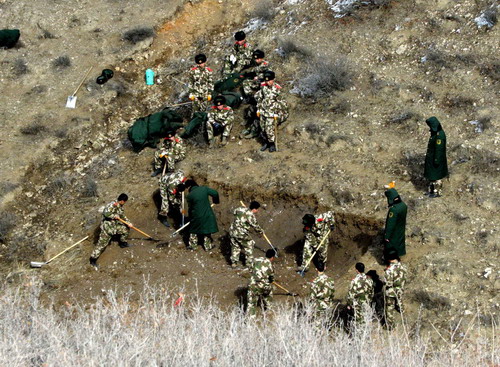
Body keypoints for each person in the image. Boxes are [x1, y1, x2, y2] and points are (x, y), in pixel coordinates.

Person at [90, 193, 132, 269]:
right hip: (107, 228)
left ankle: (123, 243)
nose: (125, 203)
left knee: (125, 229)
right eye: (125, 201)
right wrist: (114, 216)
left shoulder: (120, 207)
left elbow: (122, 216)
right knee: (102, 245)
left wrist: (128, 223)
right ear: (122, 201)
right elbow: (106, 213)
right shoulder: (112, 205)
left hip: (114, 226)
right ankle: (93, 259)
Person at [255, 71, 289, 152]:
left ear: (273, 79)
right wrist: (258, 109)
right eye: (266, 81)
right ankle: (266, 142)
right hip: (263, 111)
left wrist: (277, 112)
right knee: (262, 127)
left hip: (272, 113)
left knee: (269, 128)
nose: (268, 82)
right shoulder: (263, 87)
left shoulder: (277, 89)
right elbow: (260, 98)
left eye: (270, 80)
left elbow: (283, 103)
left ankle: (271, 143)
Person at [184, 179, 219, 251]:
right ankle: (207, 247)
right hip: (207, 215)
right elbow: (215, 193)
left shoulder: (189, 196)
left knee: (193, 230)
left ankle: (193, 246)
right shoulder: (204, 189)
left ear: (189, 186)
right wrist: (216, 201)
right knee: (207, 231)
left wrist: (191, 217)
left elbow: (190, 208)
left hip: (196, 216)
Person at [229, 201, 264, 269]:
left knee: (235, 246)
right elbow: (256, 226)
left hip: (232, 231)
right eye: (257, 209)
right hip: (241, 234)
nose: (257, 211)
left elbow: (234, 212)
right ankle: (249, 263)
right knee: (249, 245)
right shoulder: (251, 216)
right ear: (254, 209)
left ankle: (234, 263)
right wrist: (261, 232)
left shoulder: (240, 209)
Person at [247, 249, 276, 317]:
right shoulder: (270, 265)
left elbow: (250, 270)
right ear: (272, 257)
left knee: (251, 304)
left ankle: (250, 319)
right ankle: (269, 310)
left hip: (252, 285)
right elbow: (271, 278)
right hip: (264, 286)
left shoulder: (256, 260)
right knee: (269, 293)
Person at [424, 116, 448, 197]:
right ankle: (431, 191)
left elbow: (439, 149)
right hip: (432, 159)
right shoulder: (435, 133)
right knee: (432, 177)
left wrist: (437, 160)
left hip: (436, 160)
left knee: (437, 177)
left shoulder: (439, 136)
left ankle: (437, 192)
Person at [384, 251, 408, 329]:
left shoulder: (389, 270)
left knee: (389, 307)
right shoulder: (403, 266)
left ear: (390, 259)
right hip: (400, 288)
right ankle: (402, 310)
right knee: (399, 299)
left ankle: (390, 325)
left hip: (391, 291)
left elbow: (388, 283)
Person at [384, 187, 407, 257]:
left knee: (391, 245)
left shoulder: (393, 210)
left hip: (394, 232)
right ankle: (401, 253)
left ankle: (392, 259)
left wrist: (387, 236)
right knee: (400, 242)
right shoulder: (403, 205)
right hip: (401, 228)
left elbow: (390, 224)